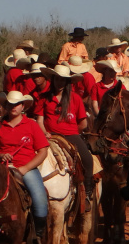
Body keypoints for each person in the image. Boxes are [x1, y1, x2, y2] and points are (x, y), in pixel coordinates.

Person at [0, 91, 49, 244]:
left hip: (24, 168)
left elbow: (42, 151)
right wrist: (0, 155)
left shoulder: (32, 125)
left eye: (17, 104)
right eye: (10, 104)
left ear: (23, 106)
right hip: (1, 168)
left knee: (40, 199)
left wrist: (26, 168)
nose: (13, 107)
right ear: (5, 106)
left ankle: (37, 238)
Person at [37, 65, 94, 210]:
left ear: (67, 82)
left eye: (63, 80)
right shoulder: (44, 98)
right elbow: (40, 120)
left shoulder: (75, 98)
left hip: (71, 135)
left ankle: (87, 193)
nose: (60, 82)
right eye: (57, 79)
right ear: (53, 79)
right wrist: (45, 133)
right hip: (49, 135)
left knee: (87, 158)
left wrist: (72, 132)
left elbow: (83, 123)